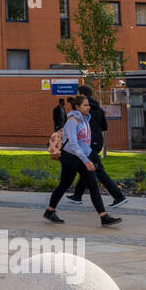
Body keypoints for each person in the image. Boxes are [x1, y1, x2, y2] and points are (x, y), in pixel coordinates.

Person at [45, 95, 122, 227]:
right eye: (85, 105)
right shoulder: (72, 122)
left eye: (88, 105)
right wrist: (86, 160)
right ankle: (50, 210)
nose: (88, 107)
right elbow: (74, 144)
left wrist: (90, 156)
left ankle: (104, 216)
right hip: (70, 158)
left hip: (83, 156)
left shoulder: (85, 120)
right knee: (64, 184)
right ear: (77, 107)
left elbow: (85, 143)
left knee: (93, 185)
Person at [67, 85, 127, 207]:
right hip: (97, 142)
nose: (77, 96)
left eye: (78, 94)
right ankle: (77, 196)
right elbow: (104, 127)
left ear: (83, 95)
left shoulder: (85, 111)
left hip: (89, 143)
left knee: (99, 171)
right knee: (87, 168)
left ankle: (118, 196)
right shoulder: (98, 108)